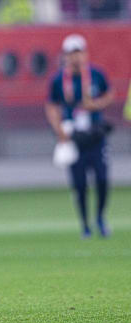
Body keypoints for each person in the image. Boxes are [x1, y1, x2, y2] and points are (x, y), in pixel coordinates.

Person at [45, 34, 114, 238]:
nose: (75, 58)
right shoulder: (58, 80)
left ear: (85, 54)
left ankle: (100, 217)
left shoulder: (96, 74)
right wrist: (58, 130)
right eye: (71, 53)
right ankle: (85, 224)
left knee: (102, 179)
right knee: (79, 183)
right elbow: (52, 105)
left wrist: (97, 104)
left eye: (78, 52)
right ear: (65, 56)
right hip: (74, 137)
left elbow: (109, 94)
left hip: (95, 135)